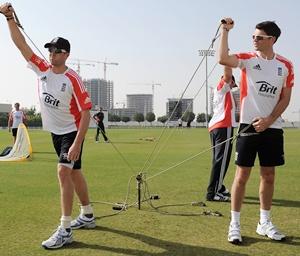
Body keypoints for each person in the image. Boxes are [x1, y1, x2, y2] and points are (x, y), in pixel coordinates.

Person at [0, 3, 96, 249]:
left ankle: (64, 229)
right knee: (74, 172)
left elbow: (86, 113)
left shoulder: (72, 79)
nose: (51, 54)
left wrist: (76, 143)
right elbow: (21, 45)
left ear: (66, 54)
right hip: (55, 133)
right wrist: (9, 18)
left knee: (64, 171)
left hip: (72, 132)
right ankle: (87, 214)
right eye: (50, 50)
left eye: (56, 50)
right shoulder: (42, 68)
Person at [219, 18, 294, 244]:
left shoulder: (286, 65)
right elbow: (223, 59)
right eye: (253, 36)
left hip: (273, 128)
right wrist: (225, 31)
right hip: (248, 126)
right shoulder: (248, 60)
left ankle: (264, 223)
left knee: (269, 175)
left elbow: (286, 97)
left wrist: (270, 119)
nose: (254, 40)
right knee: (241, 176)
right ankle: (235, 224)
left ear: (272, 40)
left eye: (259, 37)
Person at [206, 66, 238, 202]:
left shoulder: (223, 91)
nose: (233, 86)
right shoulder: (223, 87)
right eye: (232, 83)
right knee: (221, 161)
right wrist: (227, 59)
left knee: (218, 160)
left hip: (216, 127)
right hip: (223, 127)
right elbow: (227, 74)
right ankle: (213, 192)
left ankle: (219, 187)